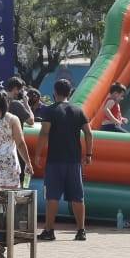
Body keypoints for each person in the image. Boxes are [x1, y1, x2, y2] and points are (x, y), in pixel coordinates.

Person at [36, 78, 93, 241]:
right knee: (77, 196)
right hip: (74, 161)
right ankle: (81, 230)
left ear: (55, 92)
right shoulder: (78, 111)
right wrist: (89, 154)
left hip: (55, 160)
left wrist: (38, 154)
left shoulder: (50, 111)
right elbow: (89, 133)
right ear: (70, 92)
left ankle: (49, 230)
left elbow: (44, 133)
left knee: (52, 196)